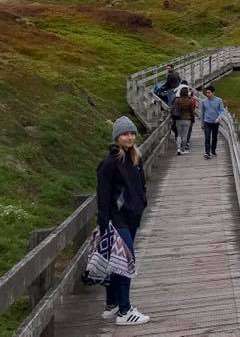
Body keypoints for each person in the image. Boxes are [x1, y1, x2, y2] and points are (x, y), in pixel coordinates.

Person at [97, 116, 150, 326]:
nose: (130, 137)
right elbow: (103, 197)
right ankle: (125, 311)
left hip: (131, 217)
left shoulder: (135, 159)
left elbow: (141, 186)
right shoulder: (109, 164)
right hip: (117, 219)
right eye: (125, 134)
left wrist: (141, 203)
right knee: (125, 262)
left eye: (132, 133)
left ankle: (114, 304)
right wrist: (104, 226)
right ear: (117, 137)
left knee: (118, 262)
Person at [200, 85, 225, 159]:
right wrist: (202, 124)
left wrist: (218, 118)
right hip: (207, 121)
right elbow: (202, 113)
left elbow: (222, 111)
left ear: (213, 92)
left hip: (215, 122)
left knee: (214, 137)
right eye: (206, 93)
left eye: (209, 93)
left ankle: (213, 150)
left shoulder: (219, 100)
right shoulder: (203, 102)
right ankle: (207, 153)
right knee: (207, 137)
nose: (207, 94)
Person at [172, 87, 196, 155]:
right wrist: (193, 120)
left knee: (179, 134)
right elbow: (192, 112)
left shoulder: (177, 100)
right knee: (184, 135)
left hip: (178, 119)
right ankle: (183, 149)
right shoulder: (190, 101)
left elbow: (173, 108)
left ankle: (178, 149)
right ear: (187, 92)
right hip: (187, 119)